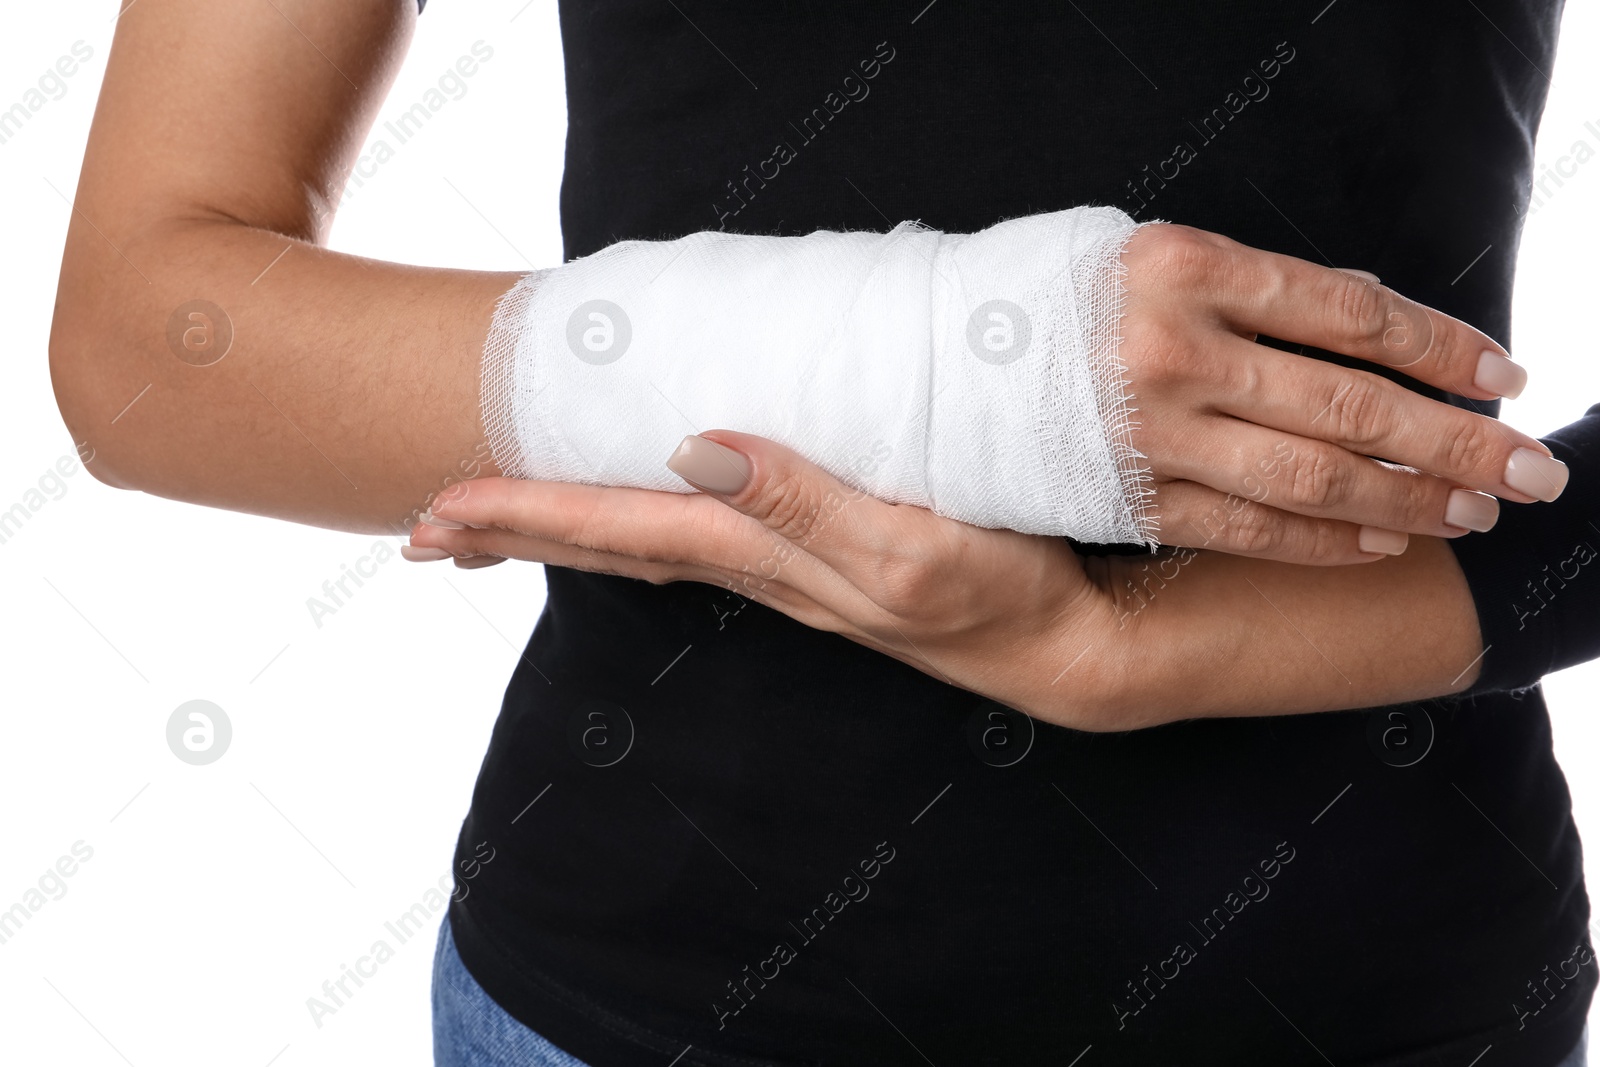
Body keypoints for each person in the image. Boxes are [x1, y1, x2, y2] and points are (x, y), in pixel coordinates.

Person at [50, 1, 1600, 1064]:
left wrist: (1140, 652)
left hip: (1380, 983)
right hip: (643, 984)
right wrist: (995, 364)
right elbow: (148, 341)